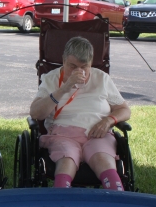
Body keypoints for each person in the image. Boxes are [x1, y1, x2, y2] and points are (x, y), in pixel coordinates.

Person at [30, 36, 131, 190]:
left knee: (103, 159)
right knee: (67, 160)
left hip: (98, 133)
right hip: (63, 134)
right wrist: (65, 87)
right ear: (63, 60)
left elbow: (124, 110)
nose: (79, 71)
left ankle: (117, 198)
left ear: (91, 63)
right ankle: (62, 199)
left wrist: (109, 121)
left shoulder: (101, 78)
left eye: (84, 66)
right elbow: (36, 113)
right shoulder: (51, 79)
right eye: (72, 66)